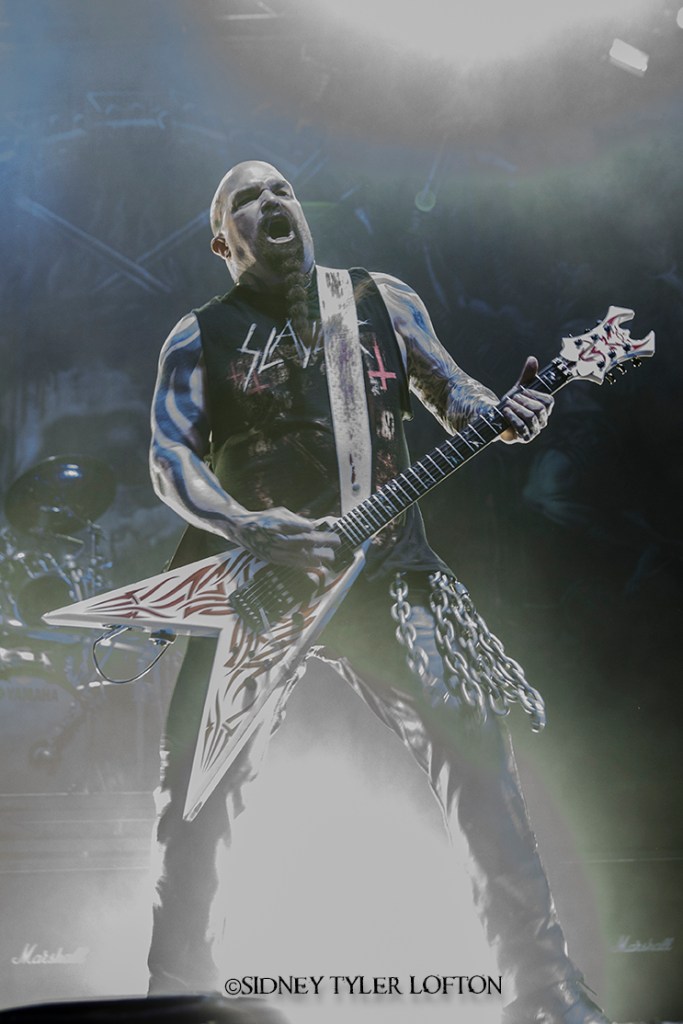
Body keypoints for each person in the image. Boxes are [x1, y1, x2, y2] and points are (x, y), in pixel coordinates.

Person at [147, 160, 610, 1024]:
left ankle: (544, 991)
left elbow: (452, 391)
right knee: (194, 792)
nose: (271, 201)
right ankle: (173, 1003)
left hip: (387, 569)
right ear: (221, 242)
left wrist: (504, 409)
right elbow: (168, 457)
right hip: (255, 583)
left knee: (475, 750)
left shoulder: (377, 299)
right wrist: (245, 524)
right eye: (246, 198)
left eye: (281, 189)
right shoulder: (198, 335)